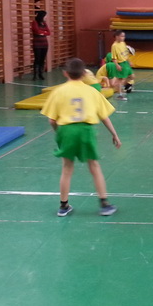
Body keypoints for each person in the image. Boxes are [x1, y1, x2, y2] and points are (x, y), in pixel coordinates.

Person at [40, 57, 120, 217]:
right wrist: (114, 134)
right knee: (94, 166)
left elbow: (51, 120)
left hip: (66, 130)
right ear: (84, 74)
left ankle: (63, 206)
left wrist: (59, 133)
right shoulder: (92, 91)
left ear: (65, 73)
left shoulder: (58, 92)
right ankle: (104, 204)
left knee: (67, 168)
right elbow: (104, 116)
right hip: (86, 130)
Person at [110, 30, 134, 100]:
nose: (123, 37)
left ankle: (123, 85)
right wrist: (117, 65)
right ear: (117, 36)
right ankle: (120, 95)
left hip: (126, 63)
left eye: (124, 36)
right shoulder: (114, 46)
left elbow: (125, 53)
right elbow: (113, 57)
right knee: (120, 79)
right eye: (122, 36)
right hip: (121, 63)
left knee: (132, 76)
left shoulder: (123, 43)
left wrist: (129, 61)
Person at [31, 10, 50, 80]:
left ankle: (40, 74)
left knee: (42, 59)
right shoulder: (34, 22)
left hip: (45, 44)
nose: (46, 17)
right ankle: (35, 75)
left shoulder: (44, 23)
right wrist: (43, 32)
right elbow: (36, 31)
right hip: (37, 44)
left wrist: (42, 33)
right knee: (37, 59)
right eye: (45, 16)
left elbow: (48, 32)